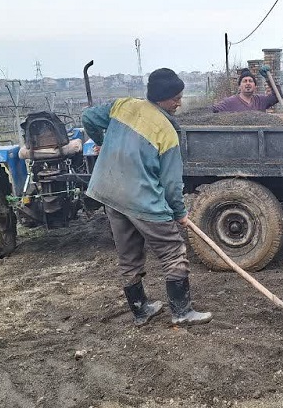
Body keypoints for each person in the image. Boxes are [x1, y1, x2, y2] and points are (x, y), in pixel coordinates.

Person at [81, 68, 212, 327]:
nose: (179, 103)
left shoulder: (123, 106)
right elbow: (172, 184)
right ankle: (182, 312)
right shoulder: (166, 131)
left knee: (128, 256)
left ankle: (141, 311)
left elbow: (88, 117)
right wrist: (179, 213)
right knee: (173, 252)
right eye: (176, 98)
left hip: (111, 193)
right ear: (162, 97)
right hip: (142, 199)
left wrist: (101, 141)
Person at [211, 66, 279, 113]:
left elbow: (278, 96)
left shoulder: (260, 100)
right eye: (245, 81)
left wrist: (268, 79)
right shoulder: (230, 102)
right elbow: (213, 110)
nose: (248, 83)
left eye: (250, 81)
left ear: (255, 86)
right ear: (239, 86)